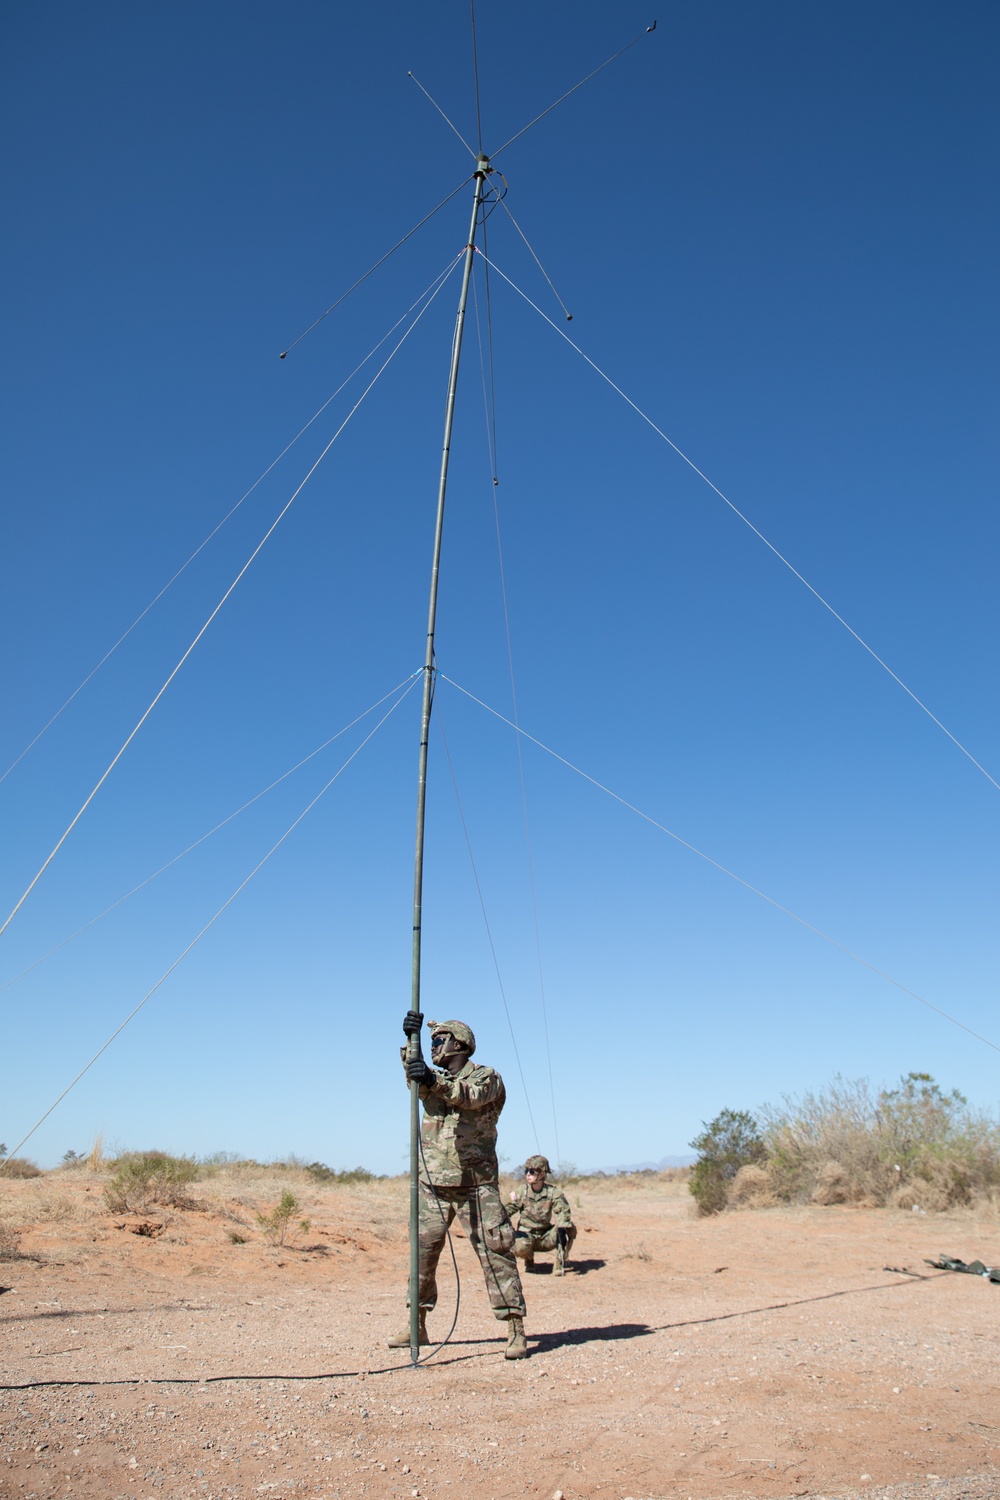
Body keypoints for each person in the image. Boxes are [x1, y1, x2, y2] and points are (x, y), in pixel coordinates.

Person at [387, 1014, 527, 1359]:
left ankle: (515, 1329)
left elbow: (469, 1096)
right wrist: (411, 1041)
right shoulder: (432, 1079)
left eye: (438, 1040)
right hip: (432, 1184)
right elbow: (414, 1074)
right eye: (432, 1042)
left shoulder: (486, 1077)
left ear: (459, 1044)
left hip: (476, 1186)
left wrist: (431, 1079)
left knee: (496, 1254)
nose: (434, 1046)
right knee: (421, 1257)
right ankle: (416, 1324)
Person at [510, 1154, 577, 1275]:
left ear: (542, 1174)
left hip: (545, 1237)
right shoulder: (522, 1191)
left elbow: (563, 1212)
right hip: (526, 1236)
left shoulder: (553, 1193)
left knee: (569, 1228)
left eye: (532, 1171)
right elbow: (511, 1208)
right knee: (519, 1245)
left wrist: (562, 1228)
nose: (528, 1174)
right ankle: (529, 1259)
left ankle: (560, 1260)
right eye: (526, 1171)